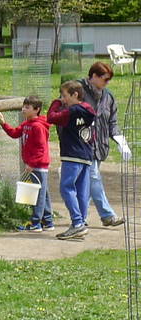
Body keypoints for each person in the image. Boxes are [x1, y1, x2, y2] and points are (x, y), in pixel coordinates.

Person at [46, 80, 100, 241]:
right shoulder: (88, 110)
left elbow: (51, 117)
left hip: (72, 155)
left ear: (75, 95)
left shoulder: (72, 111)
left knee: (66, 188)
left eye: (64, 96)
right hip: (86, 154)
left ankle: (77, 223)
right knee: (82, 191)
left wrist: (56, 102)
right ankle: (81, 223)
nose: (63, 99)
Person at [79, 62, 131, 228]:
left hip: (100, 146)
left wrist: (121, 141)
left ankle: (79, 218)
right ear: (93, 76)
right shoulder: (78, 91)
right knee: (94, 177)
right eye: (105, 79)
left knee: (88, 182)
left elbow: (112, 122)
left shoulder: (108, 97)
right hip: (83, 145)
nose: (107, 83)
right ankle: (108, 215)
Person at [0, 96, 52, 232]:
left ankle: (36, 223)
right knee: (43, 193)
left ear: (36, 110)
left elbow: (41, 148)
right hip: (34, 165)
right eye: (24, 106)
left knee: (37, 195)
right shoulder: (26, 124)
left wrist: (32, 164)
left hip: (38, 166)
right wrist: (4, 124)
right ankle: (48, 221)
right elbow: (15, 133)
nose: (24, 109)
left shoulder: (38, 127)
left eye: (27, 107)